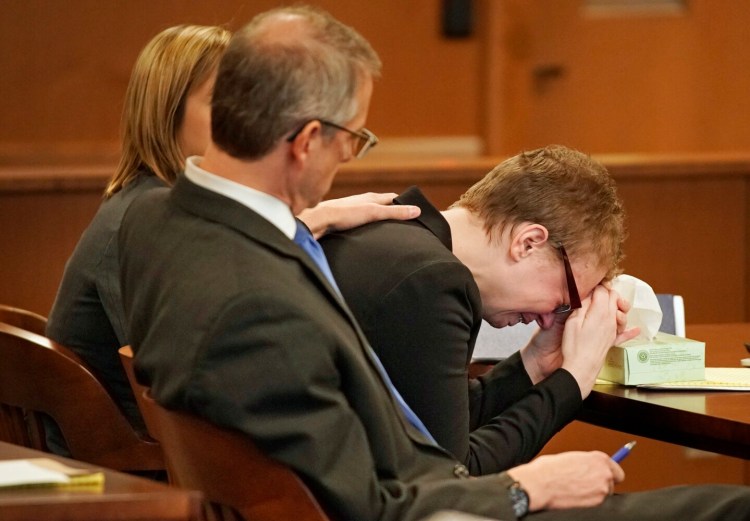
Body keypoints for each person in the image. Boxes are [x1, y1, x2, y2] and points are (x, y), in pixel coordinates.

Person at [119, 6, 750, 521]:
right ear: (309, 141)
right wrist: (531, 484)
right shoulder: (261, 299)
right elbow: (373, 503)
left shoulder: (157, 225)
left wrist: (298, 228)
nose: (349, 160)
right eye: (353, 138)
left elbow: (397, 433)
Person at [45, 24, 419, 439]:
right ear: (167, 112)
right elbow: (168, 383)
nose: (244, 120)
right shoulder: (139, 220)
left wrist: (313, 219)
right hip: (127, 466)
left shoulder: (154, 203)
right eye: (223, 103)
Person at [319, 145, 631, 473]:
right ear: (528, 243)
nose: (551, 317)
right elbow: (455, 476)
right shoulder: (434, 279)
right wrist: (575, 379)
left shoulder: (390, 239)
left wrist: (537, 363)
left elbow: (437, 424)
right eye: (565, 299)